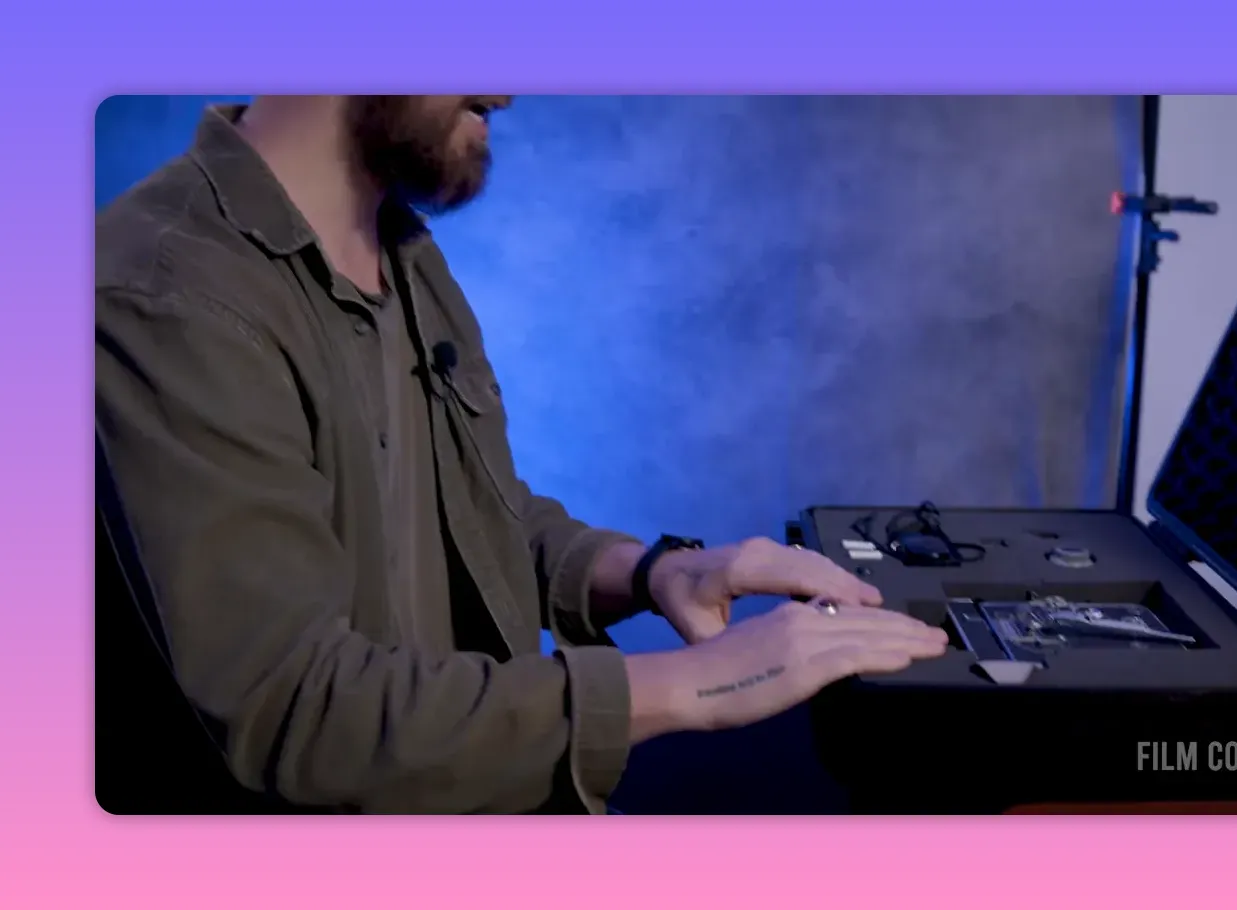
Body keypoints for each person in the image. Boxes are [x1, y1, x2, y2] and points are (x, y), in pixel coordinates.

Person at [94, 96, 948, 814]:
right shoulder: (167, 294)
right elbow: (299, 710)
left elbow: (466, 508)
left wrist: (648, 573)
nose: (506, 86)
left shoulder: (400, 251)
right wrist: (697, 684)